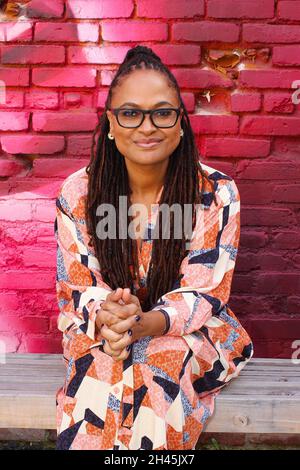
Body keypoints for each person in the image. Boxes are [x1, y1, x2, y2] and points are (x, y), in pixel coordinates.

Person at [54, 45, 254, 450]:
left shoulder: (214, 193)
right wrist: (111, 319)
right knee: (105, 365)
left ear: (180, 123)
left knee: (157, 360)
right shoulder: (79, 192)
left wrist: (145, 323)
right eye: (130, 113)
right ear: (111, 123)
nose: (147, 127)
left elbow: (204, 290)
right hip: (104, 331)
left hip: (193, 334)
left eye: (162, 113)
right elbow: (77, 285)